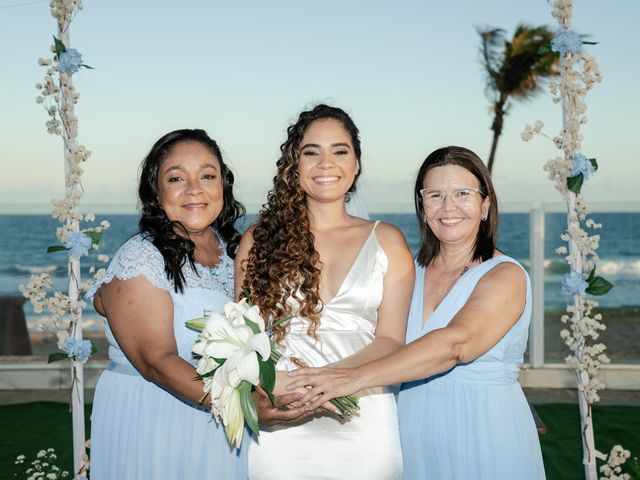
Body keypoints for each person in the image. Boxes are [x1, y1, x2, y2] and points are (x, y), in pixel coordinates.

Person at [288, 146, 546, 479]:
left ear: (485, 205)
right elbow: (364, 333)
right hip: (412, 433)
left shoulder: (505, 275)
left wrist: (348, 379)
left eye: (462, 194)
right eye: (435, 194)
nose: (448, 206)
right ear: (422, 208)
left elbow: (456, 345)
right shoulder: (408, 271)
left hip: (484, 433)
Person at [235, 104, 415, 480]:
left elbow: (391, 340)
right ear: (294, 164)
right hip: (283, 412)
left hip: (363, 415)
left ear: (356, 164)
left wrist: (326, 381)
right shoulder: (259, 241)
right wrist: (281, 388)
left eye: (339, 151)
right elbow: (244, 338)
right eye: (311, 152)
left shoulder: (387, 240)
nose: (325, 163)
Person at [87, 129, 248, 479]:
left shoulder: (235, 252)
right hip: (156, 417)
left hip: (224, 423)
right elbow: (156, 361)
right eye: (177, 178)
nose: (195, 188)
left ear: (223, 185)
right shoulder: (141, 258)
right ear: (156, 193)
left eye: (207, 175)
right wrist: (248, 406)